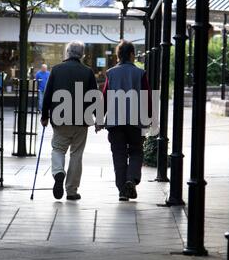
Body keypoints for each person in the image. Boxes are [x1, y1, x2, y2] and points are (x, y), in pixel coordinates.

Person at [41, 41, 97, 201]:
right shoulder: (88, 72)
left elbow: (48, 94)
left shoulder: (56, 70)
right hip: (81, 120)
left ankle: (58, 171)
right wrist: (98, 119)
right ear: (82, 54)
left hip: (60, 118)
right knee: (76, 154)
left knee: (58, 149)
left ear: (67, 52)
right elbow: (94, 97)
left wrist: (44, 115)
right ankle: (71, 191)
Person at [99, 40, 152, 202]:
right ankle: (131, 178)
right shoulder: (140, 73)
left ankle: (123, 190)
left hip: (115, 123)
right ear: (131, 55)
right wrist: (149, 118)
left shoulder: (111, 73)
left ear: (118, 55)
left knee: (119, 155)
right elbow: (147, 98)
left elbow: (105, 97)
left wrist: (100, 119)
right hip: (135, 121)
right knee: (136, 150)